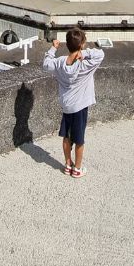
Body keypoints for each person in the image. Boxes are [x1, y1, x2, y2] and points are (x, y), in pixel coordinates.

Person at [43, 27, 104, 178]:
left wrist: (53, 48)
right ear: (81, 44)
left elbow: (46, 64)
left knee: (66, 136)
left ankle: (67, 164)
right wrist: (84, 53)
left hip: (66, 105)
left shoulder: (59, 62)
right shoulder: (85, 65)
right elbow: (101, 53)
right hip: (80, 105)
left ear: (67, 44)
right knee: (79, 139)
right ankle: (77, 168)